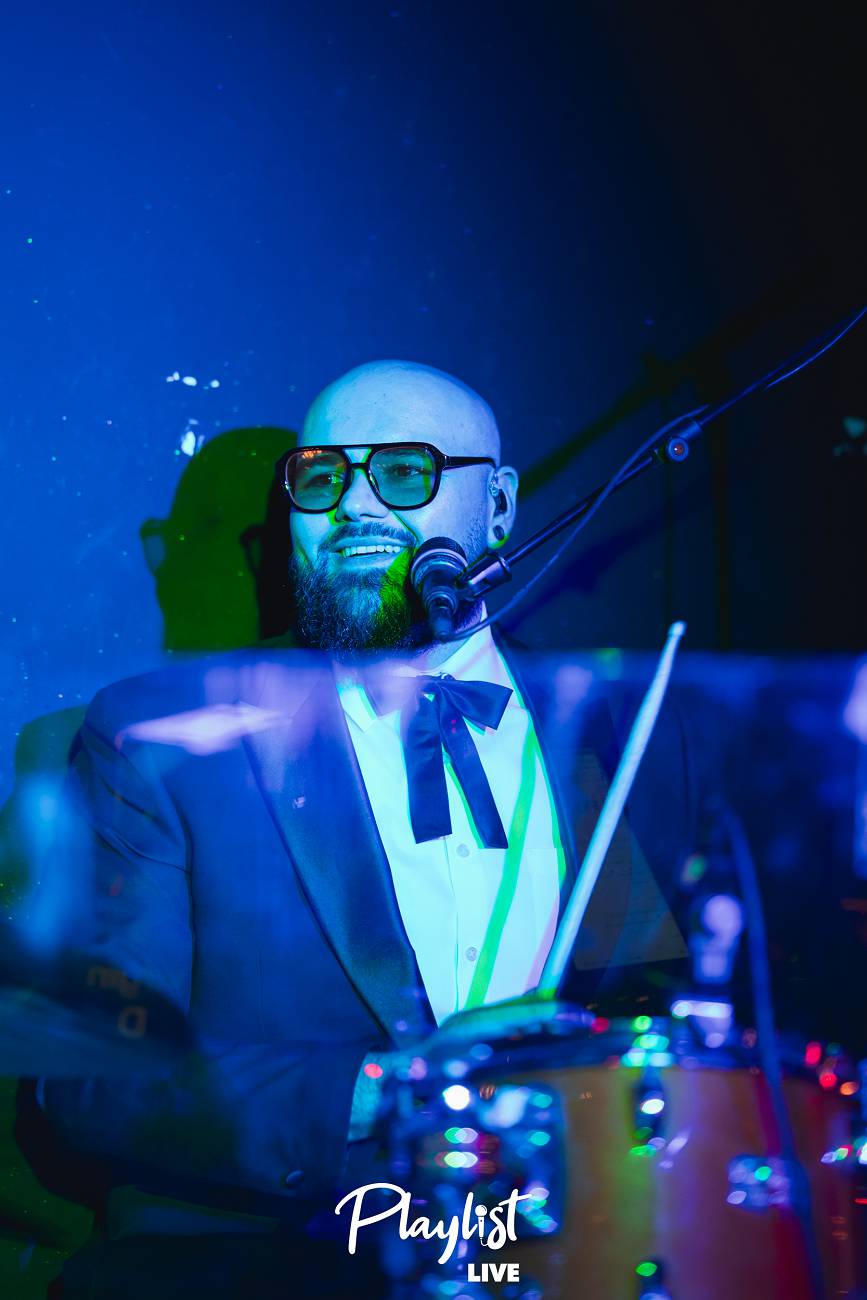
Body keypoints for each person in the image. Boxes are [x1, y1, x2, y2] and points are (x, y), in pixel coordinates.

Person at [23, 360, 694, 1299]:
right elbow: (90, 1076)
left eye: (405, 472)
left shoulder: (608, 725)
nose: (356, 506)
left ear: (499, 506)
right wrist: (405, 1091)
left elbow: (657, 1005)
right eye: (323, 476)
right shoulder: (162, 740)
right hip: (257, 1271)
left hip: (560, 1256)